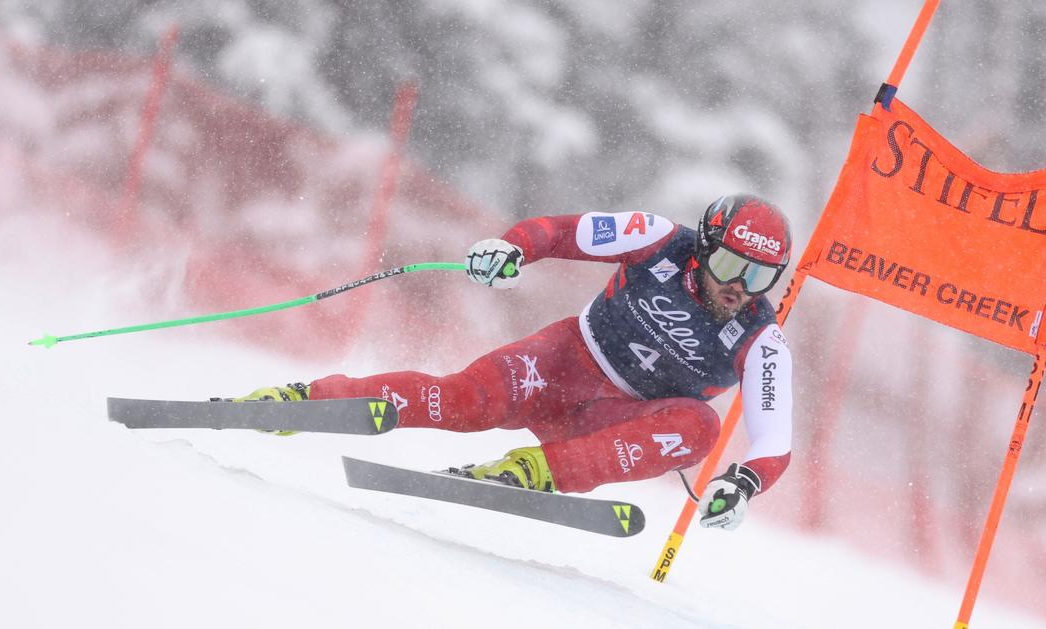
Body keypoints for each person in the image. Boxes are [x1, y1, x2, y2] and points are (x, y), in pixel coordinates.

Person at [238, 194, 794, 531]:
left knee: (700, 428)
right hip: (563, 364)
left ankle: (535, 470)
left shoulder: (760, 338)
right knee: (463, 400)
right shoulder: (659, 239)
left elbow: (774, 442)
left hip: (609, 427)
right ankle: (306, 401)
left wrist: (743, 485)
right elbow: (560, 231)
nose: (740, 287)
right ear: (704, 246)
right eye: (729, 263)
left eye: (760, 277)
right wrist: (512, 248)